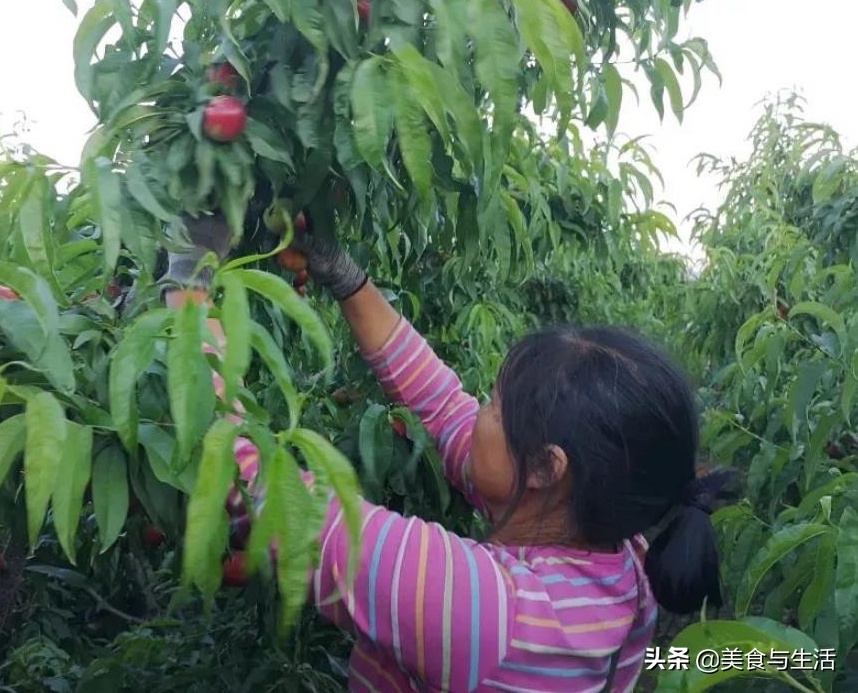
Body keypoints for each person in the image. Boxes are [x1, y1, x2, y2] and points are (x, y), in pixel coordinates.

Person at [162, 213, 729, 693]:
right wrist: (346, 277)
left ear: (544, 467)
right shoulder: (622, 553)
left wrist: (188, 288)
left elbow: (265, 495)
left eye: (495, 404)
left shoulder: (490, 617)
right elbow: (441, 406)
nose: (476, 409)